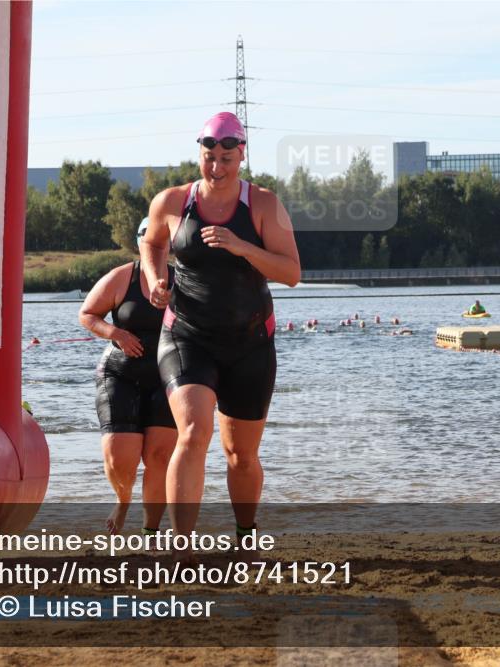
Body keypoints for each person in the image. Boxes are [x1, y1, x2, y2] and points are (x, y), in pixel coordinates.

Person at [140, 111, 301, 559]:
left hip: (249, 343)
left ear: (241, 156)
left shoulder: (263, 205)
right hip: (187, 336)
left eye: (226, 159)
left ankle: (245, 534)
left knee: (240, 456)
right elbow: (152, 242)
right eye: (209, 158)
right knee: (193, 432)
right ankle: (181, 547)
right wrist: (155, 278)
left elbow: (291, 272)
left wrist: (242, 246)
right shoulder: (173, 201)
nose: (216, 168)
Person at [79, 218, 177, 535]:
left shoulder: (183, 280)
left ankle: (151, 532)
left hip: (168, 375)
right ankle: (123, 500)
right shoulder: (123, 277)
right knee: (120, 458)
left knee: (159, 457)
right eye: (148, 237)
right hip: (120, 374)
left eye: (162, 237)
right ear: (139, 242)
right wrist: (116, 333)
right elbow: (87, 314)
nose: (155, 243)